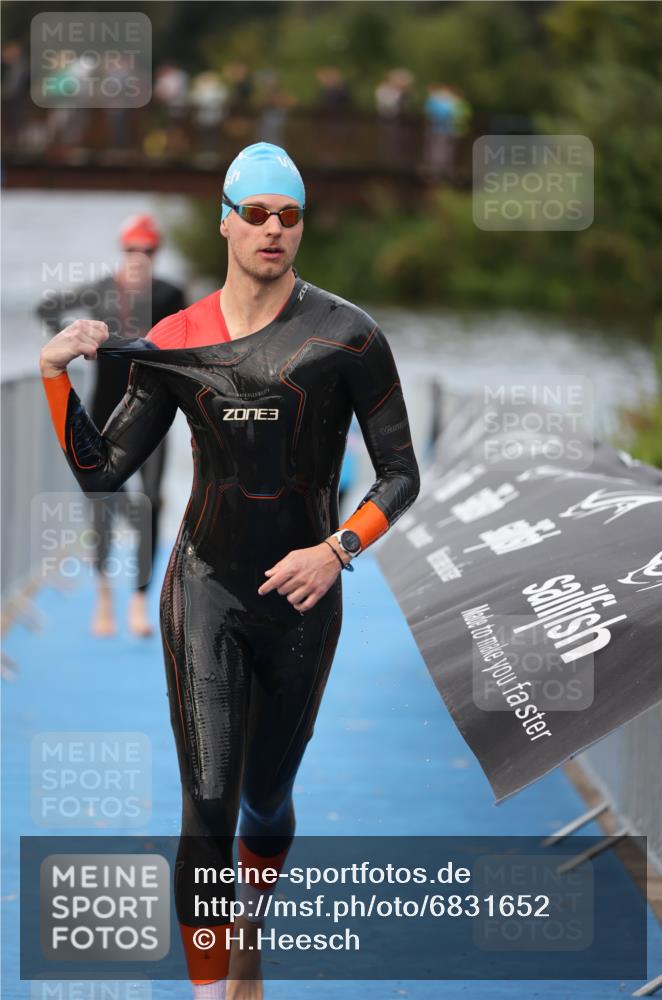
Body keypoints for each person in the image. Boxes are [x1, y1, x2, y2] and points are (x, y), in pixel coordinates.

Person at [39, 141, 420, 999]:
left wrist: (336, 550)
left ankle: (248, 928)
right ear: (225, 221)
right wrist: (54, 376)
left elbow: (401, 474)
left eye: (289, 216)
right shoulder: (176, 340)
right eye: (256, 214)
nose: (274, 230)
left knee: (265, 800)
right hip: (205, 586)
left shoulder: (347, 336)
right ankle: (211, 992)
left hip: (305, 597)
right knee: (206, 803)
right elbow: (103, 472)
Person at [37, 213, 186, 637]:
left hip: (155, 411)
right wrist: (70, 343)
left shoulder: (170, 292)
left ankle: (139, 601)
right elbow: (47, 308)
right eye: (132, 250)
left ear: (156, 253)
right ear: (123, 251)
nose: (140, 258)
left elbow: (193, 342)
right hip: (104, 409)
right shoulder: (102, 289)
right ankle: (103, 597)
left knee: (154, 501)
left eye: (148, 251)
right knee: (102, 499)